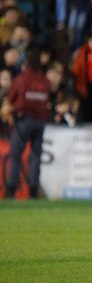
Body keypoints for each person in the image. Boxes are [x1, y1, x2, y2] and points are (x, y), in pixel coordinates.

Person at [3, 49, 51, 199]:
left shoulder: (21, 79)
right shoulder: (44, 80)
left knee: (15, 155)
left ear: (26, 63)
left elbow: (11, 99)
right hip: (40, 121)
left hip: (24, 120)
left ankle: (11, 188)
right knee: (36, 156)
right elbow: (47, 99)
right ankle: (33, 189)